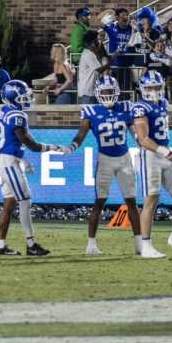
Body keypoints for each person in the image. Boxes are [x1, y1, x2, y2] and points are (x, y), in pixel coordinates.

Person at [65, 75, 142, 255]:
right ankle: (91, 244)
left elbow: (135, 132)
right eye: (104, 91)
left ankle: (140, 244)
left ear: (116, 92)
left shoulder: (126, 107)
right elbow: (81, 134)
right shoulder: (91, 111)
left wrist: (141, 142)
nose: (107, 95)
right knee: (99, 202)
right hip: (105, 160)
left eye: (110, 91)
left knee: (131, 201)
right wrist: (72, 146)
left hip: (124, 159)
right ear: (98, 93)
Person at [132, 69, 172, 259]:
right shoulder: (140, 107)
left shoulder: (164, 103)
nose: (154, 90)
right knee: (151, 200)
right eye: (150, 87)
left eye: (156, 86)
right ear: (143, 88)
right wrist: (165, 151)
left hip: (166, 153)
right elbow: (143, 139)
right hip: (151, 155)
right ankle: (146, 245)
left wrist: (167, 151)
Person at [0, 79, 54, 256]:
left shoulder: (5, 110)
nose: (26, 99)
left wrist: (23, 158)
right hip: (9, 162)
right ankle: (31, 244)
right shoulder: (17, 116)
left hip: (5, 159)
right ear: (13, 98)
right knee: (25, 201)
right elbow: (29, 142)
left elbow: (14, 141)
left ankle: (0, 245)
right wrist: (51, 147)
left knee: (9, 204)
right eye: (22, 97)